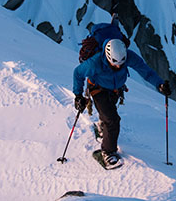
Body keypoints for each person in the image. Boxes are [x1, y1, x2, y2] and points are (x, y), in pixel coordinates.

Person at [73, 37, 171, 167]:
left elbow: (145, 71)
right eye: (115, 63)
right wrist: (78, 95)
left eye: (121, 63)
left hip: (115, 90)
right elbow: (78, 73)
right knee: (112, 120)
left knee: (108, 113)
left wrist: (159, 84)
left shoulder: (128, 56)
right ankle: (108, 152)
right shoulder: (95, 62)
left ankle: (102, 126)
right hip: (98, 89)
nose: (118, 66)